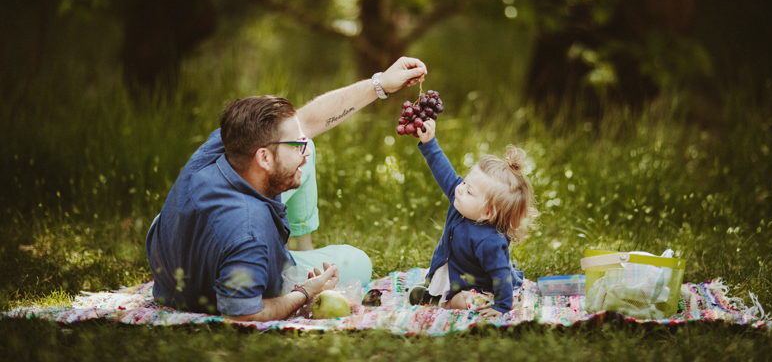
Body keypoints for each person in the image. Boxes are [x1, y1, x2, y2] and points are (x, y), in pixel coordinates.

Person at [146, 57, 427, 321]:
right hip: (200, 288)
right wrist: (303, 292)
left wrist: (380, 83)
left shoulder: (232, 140)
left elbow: (310, 120)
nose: (304, 152)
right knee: (359, 262)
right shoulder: (249, 232)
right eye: (297, 146)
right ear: (264, 158)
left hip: (174, 259)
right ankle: (290, 271)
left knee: (305, 146)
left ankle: (300, 249)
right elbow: (242, 314)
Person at [409, 119, 538, 317]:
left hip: (488, 289)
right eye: (465, 181)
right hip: (459, 273)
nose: (459, 189)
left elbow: (501, 275)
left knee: (464, 301)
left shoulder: (489, 241)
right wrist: (429, 143)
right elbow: (445, 173)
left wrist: (501, 306)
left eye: (469, 190)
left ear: (487, 212)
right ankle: (437, 292)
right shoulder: (462, 201)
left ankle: (441, 302)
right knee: (441, 276)